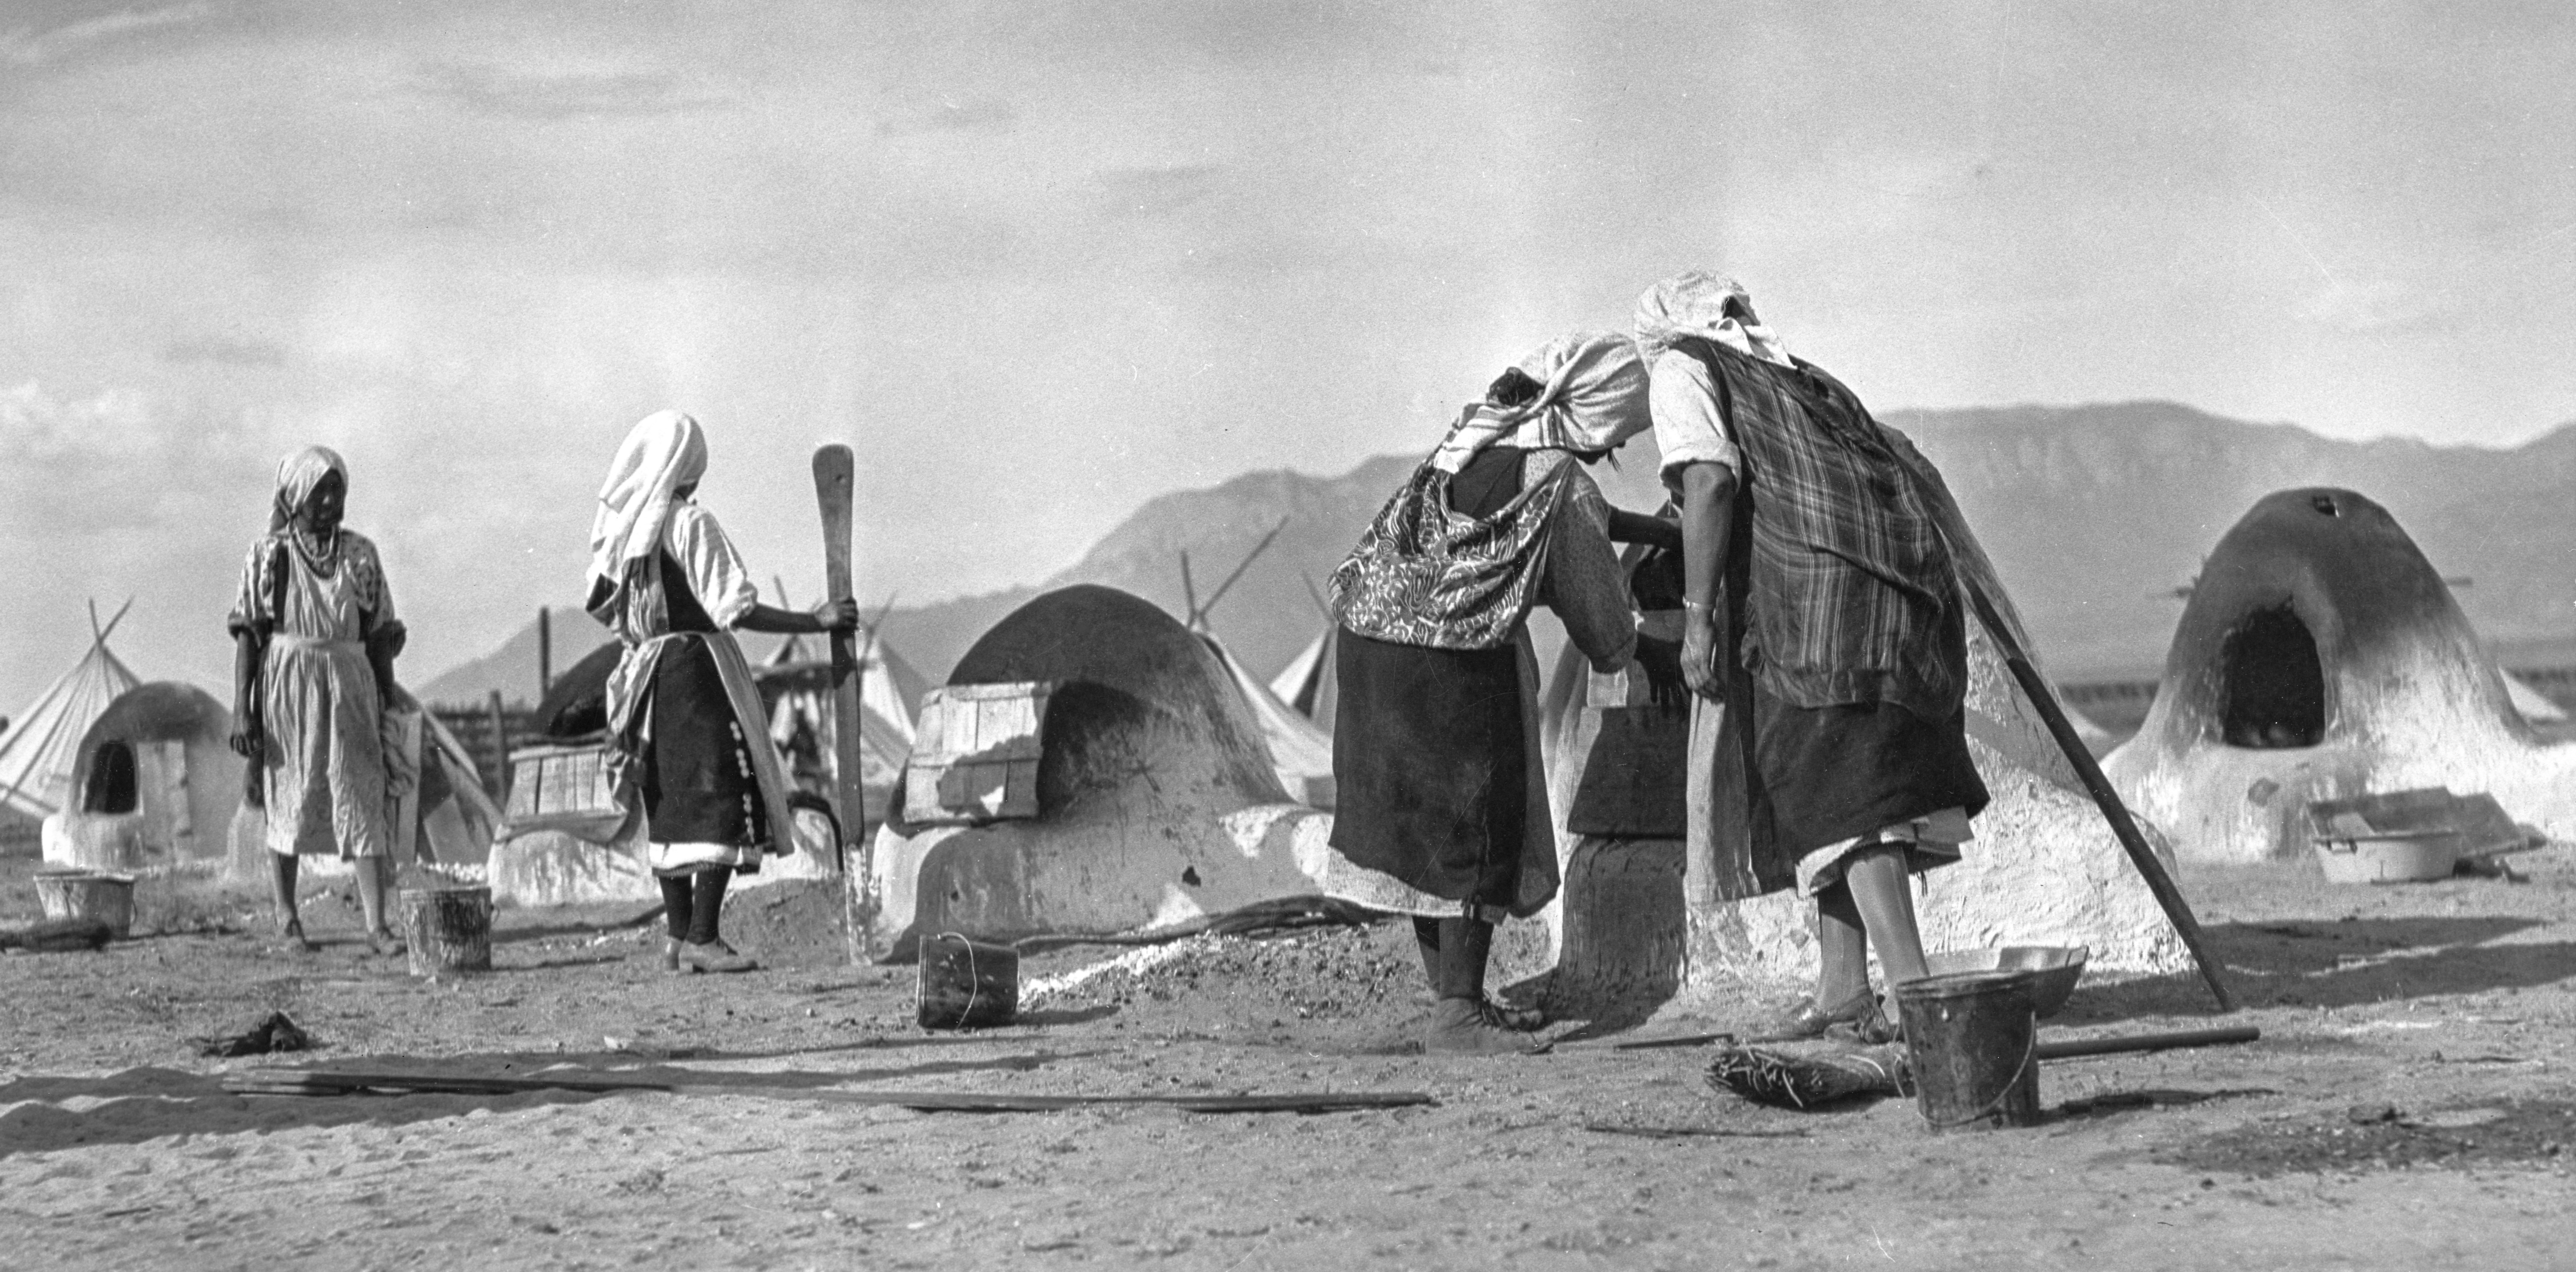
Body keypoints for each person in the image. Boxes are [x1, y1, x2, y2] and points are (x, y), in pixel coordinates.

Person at [1637, 270, 1990, 1041]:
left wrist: (1697, 621)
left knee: (1848, 803)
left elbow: (1708, 483)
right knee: (1844, 789)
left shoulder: (1682, 366)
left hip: (1812, 612)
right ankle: (1841, 990)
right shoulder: (1802, 380)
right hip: (1899, 601)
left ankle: (1914, 995)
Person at [1327, 331, 1681, 1055]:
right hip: (1445, 664)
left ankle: (1456, 1001)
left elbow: (1569, 525)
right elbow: (1601, 624)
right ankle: (1456, 1016)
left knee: (1419, 830)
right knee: (1471, 819)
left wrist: (1660, 533)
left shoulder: (1470, 445)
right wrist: (1654, 645)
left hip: (1369, 652)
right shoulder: (1560, 480)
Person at [585, 410, 859, 974]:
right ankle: (705, 938)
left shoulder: (625, 538)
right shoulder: (688, 524)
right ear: (689, 463)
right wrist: (818, 621)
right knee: (722, 788)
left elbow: (605, 609)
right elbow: (738, 608)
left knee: (669, 799)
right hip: (695, 672)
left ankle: (678, 937)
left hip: (649, 680)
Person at [227, 446, 409, 954]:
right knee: (290, 793)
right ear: (294, 497)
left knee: (363, 794)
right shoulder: (270, 555)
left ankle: (378, 926)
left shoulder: (361, 554)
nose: (331, 501)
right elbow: (249, 637)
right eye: (319, 491)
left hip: (350, 684)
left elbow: (379, 636)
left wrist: (387, 706)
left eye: (338, 490)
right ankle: (287, 919)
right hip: (288, 686)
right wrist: (244, 710)